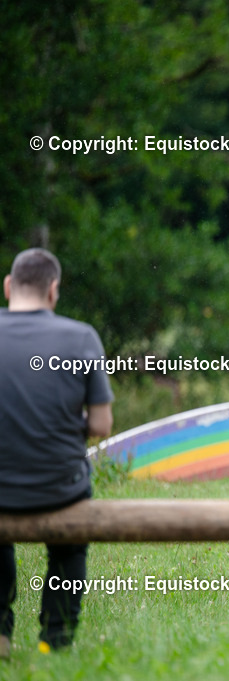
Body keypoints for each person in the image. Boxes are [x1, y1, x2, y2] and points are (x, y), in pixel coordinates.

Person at [0, 248, 114, 656]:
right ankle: (55, 640)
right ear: (53, 291)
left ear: (9, 286)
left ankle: (0, 634)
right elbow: (101, 426)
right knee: (68, 548)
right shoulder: (81, 337)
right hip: (59, 489)